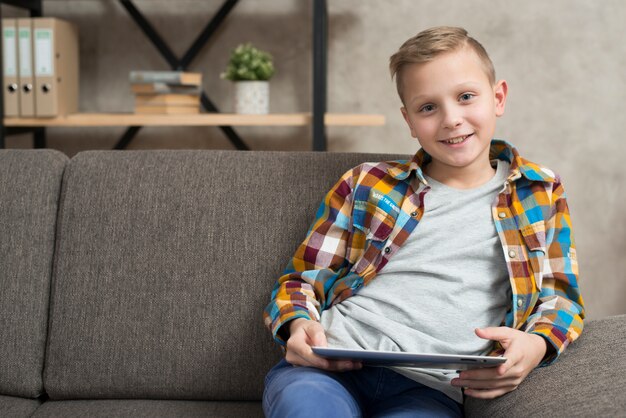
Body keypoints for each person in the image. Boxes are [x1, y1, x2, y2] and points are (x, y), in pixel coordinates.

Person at [262, 26, 584, 418]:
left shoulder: (539, 190)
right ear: (409, 120)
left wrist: (535, 345)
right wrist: (297, 326)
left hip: (429, 387)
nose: (451, 119)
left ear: (498, 97)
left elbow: (560, 298)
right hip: (331, 364)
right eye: (428, 107)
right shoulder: (366, 183)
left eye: (466, 97)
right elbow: (302, 281)